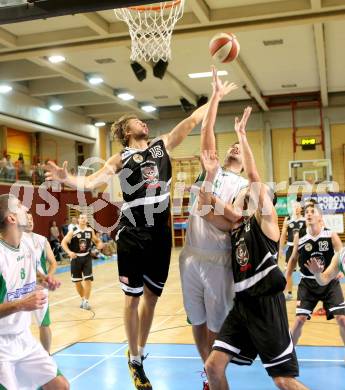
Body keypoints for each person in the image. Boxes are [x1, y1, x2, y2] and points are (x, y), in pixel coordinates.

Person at [45, 79, 228, 390]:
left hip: (160, 234)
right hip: (132, 231)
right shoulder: (120, 158)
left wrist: (215, 96)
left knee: (152, 298)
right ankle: (135, 360)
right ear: (126, 131)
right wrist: (67, 178)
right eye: (136, 120)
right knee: (131, 299)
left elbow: (193, 120)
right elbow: (91, 184)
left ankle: (136, 351)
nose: (144, 122)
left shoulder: (161, 145)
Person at [198, 118, 308, 389]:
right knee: (212, 367)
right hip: (243, 305)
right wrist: (210, 175)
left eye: (254, 193)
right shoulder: (234, 227)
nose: (248, 191)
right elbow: (203, 205)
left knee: (283, 381)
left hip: (267, 305)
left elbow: (254, 178)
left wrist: (242, 135)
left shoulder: (266, 222)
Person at [179, 67, 245, 390]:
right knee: (196, 321)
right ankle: (209, 375)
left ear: (246, 159)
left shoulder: (246, 185)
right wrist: (215, 97)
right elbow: (207, 131)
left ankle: (216, 374)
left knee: (215, 328)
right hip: (190, 255)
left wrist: (211, 205)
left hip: (219, 260)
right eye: (230, 145)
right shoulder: (212, 169)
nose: (234, 148)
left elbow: (237, 220)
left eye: (239, 147)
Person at [0, 193, 69, 389]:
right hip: (1, 346)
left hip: (23, 338)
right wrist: (21, 304)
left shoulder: (28, 246)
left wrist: (45, 280)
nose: (27, 209)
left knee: (60, 385)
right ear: (11, 218)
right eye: (20, 206)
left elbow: (35, 275)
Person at [287, 202, 345, 347]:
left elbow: (341, 253)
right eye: (307, 212)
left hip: (329, 283)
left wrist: (339, 271)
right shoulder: (299, 237)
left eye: (313, 211)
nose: (309, 213)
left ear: (320, 217)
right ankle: (287, 354)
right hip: (308, 283)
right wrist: (286, 277)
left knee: (342, 319)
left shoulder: (330, 234)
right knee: (300, 319)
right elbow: (293, 258)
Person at [22, 212, 57, 354]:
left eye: (31, 219)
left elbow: (53, 263)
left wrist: (48, 277)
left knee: (44, 323)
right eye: (26, 219)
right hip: (19, 288)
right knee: (19, 325)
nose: (30, 222)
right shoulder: (14, 239)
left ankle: (46, 355)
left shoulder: (42, 240)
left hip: (38, 287)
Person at [61, 214, 103, 310]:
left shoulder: (90, 231)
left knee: (88, 279)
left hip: (87, 257)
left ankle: (86, 301)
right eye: (81, 218)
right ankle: (83, 299)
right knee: (77, 281)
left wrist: (99, 244)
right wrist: (69, 252)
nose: (83, 219)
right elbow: (63, 243)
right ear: (78, 220)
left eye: (85, 218)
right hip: (75, 258)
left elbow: (96, 241)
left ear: (87, 220)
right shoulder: (73, 231)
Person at [279, 201, 306, 300]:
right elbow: (282, 235)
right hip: (290, 249)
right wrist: (281, 249)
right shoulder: (287, 220)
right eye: (294, 206)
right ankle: (289, 293)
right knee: (288, 271)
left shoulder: (305, 220)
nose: (296, 208)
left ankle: (305, 293)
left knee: (305, 271)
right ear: (292, 208)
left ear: (301, 209)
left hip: (302, 248)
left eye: (298, 207)